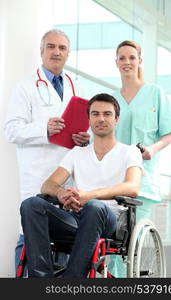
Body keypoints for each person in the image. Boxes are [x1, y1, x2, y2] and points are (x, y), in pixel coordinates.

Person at [20, 93, 144, 278]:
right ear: (89, 119)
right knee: (31, 204)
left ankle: (72, 282)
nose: (101, 119)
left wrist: (89, 195)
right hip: (76, 219)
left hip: (110, 221)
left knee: (94, 207)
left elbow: (132, 187)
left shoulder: (130, 152)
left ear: (116, 119)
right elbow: (48, 184)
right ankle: (41, 280)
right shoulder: (77, 153)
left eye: (107, 114)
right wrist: (61, 193)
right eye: (95, 114)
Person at [4, 29, 89, 274]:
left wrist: (84, 138)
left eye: (62, 48)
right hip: (37, 175)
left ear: (68, 54)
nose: (56, 51)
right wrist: (45, 129)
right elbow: (11, 130)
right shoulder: (26, 87)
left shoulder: (77, 86)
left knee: (64, 240)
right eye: (51, 46)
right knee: (31, 234)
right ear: (42, 51)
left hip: (68, 178)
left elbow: (86, 128)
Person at [108, 40, 171, 277]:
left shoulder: (154, 93)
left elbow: (168, 133)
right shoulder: (111, 99)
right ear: (116, 62)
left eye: (131, 57)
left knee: (132, 245)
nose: (127, 62)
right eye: (122, 58)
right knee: (112, 246)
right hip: (113, 181)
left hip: (143, 181)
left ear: (140, 61)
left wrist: (152, 149)